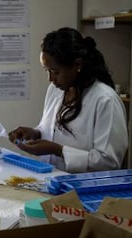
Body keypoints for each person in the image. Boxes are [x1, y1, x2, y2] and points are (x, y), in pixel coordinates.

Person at [8, 27, 128, 173]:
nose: (51, 79)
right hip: (53, 181)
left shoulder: (105, 100)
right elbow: (52, 129)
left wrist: (58, 150)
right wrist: (36, 133)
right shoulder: (55, 90)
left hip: (85, 189)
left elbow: (109, 162)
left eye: (55, 72)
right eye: (47, 71)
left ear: (77, 65)